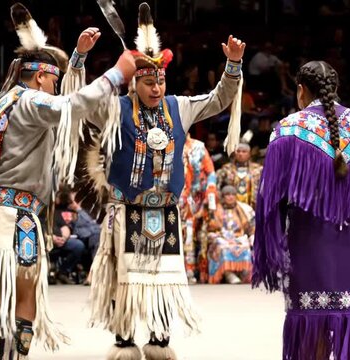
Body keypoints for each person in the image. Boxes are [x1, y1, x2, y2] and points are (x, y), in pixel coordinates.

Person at [0, 4, 136, 359]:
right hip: (16, 215)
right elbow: (73, 104)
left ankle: (3, 356)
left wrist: (77, 60)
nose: (54, 87)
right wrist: (117, 74)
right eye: (52, 79)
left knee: (1, 300)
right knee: (22, 297)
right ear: (40, 77)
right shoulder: (32, 101)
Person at [87, 3, 245, 360]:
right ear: (133, 82)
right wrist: (80, 59)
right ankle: (125, 342)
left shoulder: (179, 106)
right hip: (127, 211)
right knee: (125, 280)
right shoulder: (115, 108)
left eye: (160, 80)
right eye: (147, 81)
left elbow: (220, 99)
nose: (156, 88)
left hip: (165, 214)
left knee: (163, 281)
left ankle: (159, 341)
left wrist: (232, 65)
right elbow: (81, 102)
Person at [252, 61, 350, 359]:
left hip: (310, 231)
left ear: (300, 90)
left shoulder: (288, 129)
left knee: (310, 319)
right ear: (336, 87)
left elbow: (271, 200)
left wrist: (272, 244)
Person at [180, 133, 217, 284]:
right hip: (173, 196)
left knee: (191, 233)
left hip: (196, 198)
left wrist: (211, 194)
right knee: (179, 232)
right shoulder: (164, 140)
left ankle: (192, 269)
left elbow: (211, 173)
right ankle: (180, 268)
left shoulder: (198, 147)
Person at [205, 185, 254, 284]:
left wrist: (250, 236)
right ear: (222, 197)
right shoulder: (216, 210)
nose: (231, 197)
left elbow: (249, 227)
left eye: (233, 194)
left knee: (245, 246)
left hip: (238, 238)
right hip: (222, 237)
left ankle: (242, 272)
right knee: (222, 246)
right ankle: (228, 274)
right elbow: (211, 228)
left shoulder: (242, 209)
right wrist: (219, 236)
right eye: (227, 195)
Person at [216, 141, 263, 208]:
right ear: (235, 153)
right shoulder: (226, 169)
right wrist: (221, 201)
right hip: (231, 207)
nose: (240, 154)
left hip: (253, 207)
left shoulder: (258, 169)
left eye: (244, 152)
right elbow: (216, 186)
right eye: (238, 151)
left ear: (249, 154)